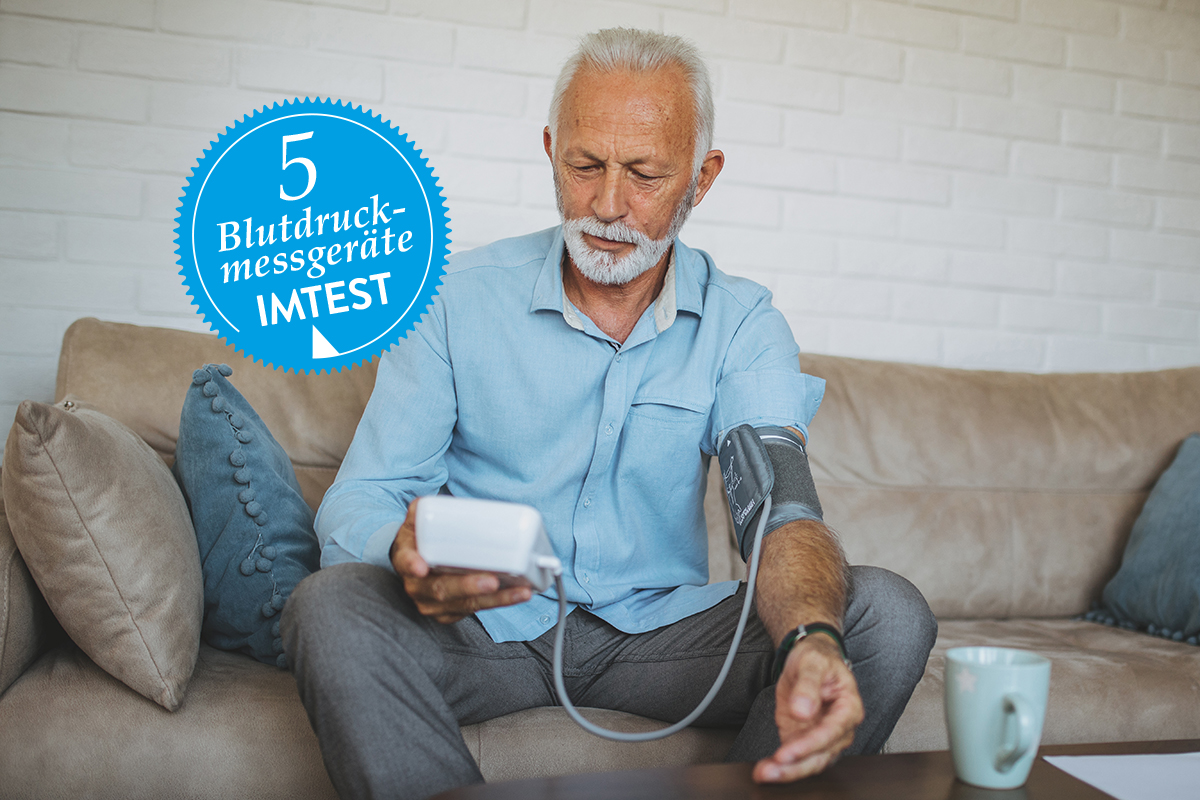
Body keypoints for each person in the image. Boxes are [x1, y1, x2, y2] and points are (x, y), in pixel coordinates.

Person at [282, 27, 937, 800]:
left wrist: (812, 639)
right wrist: (406, 552)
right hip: (485, 625)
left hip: (659, 636)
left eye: (647, 175)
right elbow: (363, 494)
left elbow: (781, 515)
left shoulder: (743, 322)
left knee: (883, 615)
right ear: (552, 147)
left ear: (703, 179)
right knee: (328, 606)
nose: (606, 205)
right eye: (584, 165)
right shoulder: (451, 298)